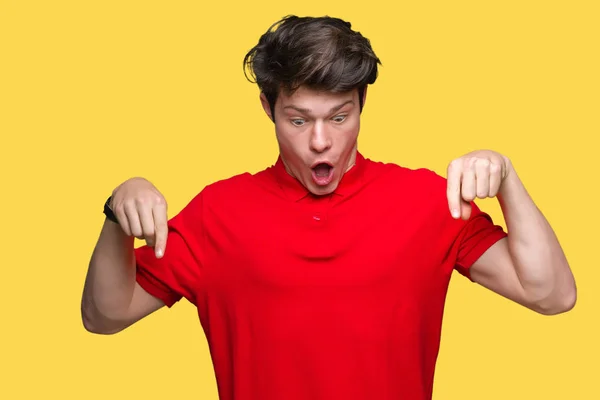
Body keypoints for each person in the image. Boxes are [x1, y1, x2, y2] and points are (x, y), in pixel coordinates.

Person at [81, 15, 576, 400]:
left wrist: (507, 179)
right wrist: (116, 215)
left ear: (362, 103)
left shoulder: (429, 201)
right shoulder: (219, 212)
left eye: (340, 117)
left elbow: (552, 294)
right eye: (298, 120)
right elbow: (105, 316)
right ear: (267, 109)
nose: (321, 142)